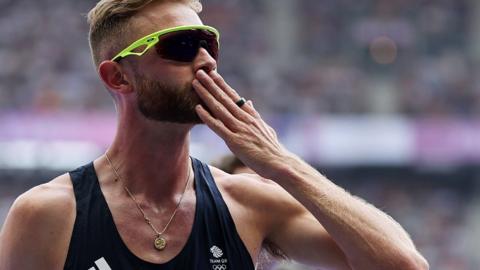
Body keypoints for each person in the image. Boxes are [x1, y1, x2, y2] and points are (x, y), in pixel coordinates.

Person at [0, 0, 429, 269]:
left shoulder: (249, 202)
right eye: (181, 47)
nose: (205, 61)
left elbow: (403, 266)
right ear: (118, 77)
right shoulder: (47, 215)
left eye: (209, 44)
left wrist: (283, 164)